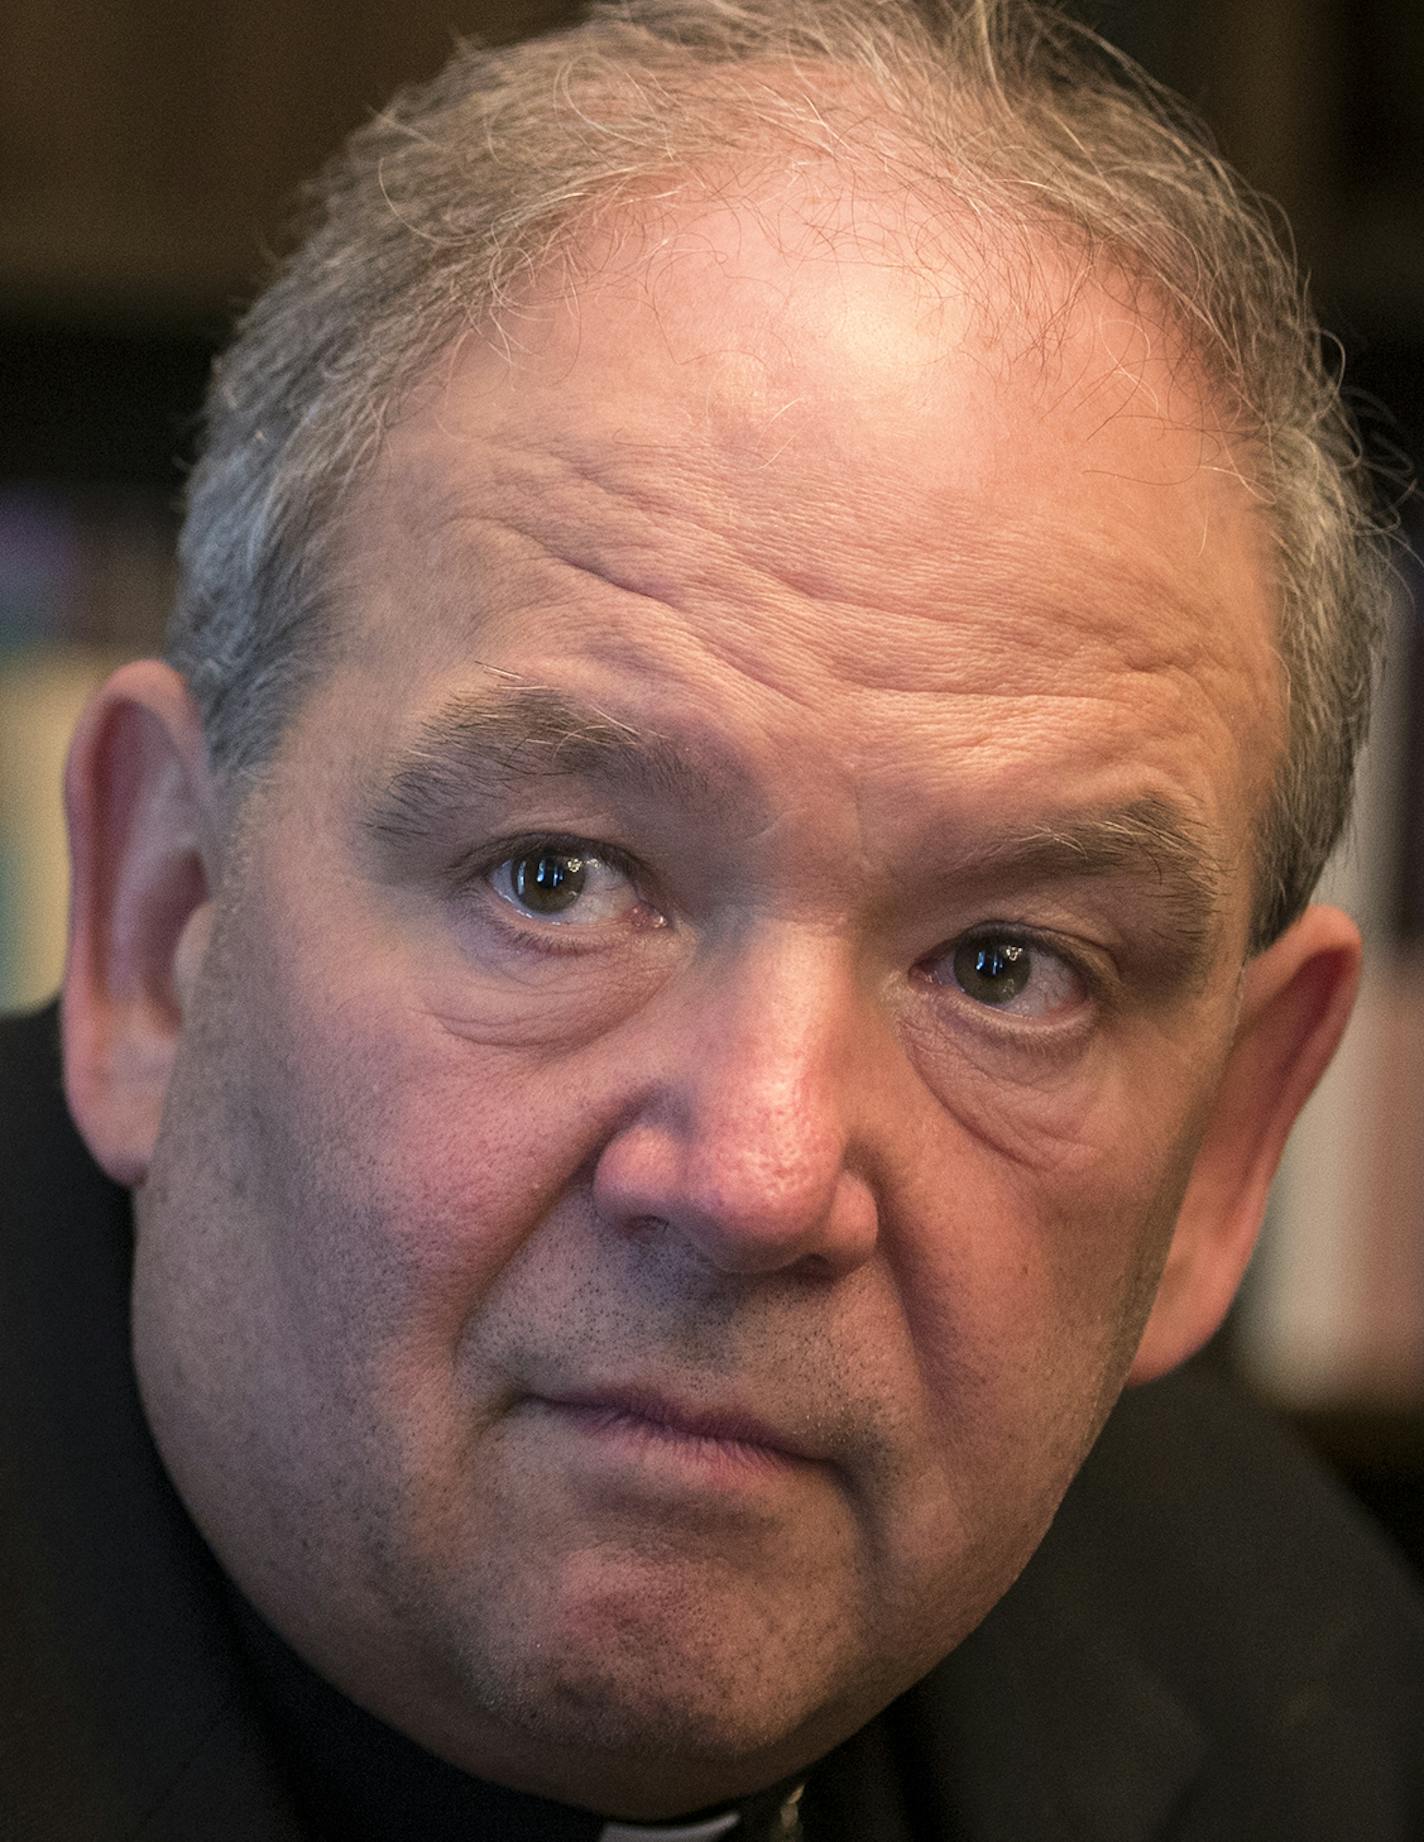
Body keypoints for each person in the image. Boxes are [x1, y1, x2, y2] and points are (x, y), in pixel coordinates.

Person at [4, 1, 1422, 1836]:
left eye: (1007, 969)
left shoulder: (1320, 1705)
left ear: (1231, 1146)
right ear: (158, 929)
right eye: (558, 880)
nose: (757, 1176)